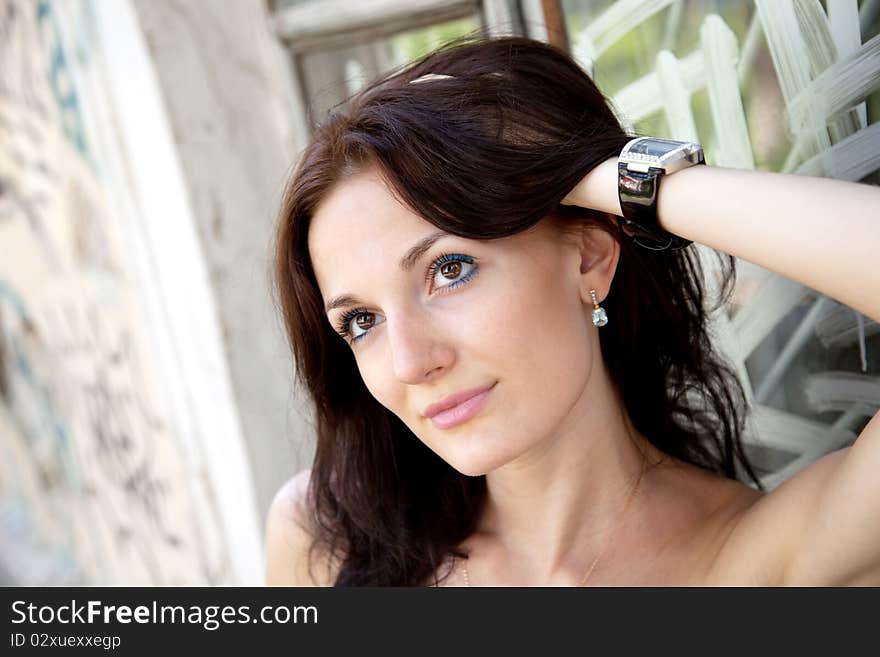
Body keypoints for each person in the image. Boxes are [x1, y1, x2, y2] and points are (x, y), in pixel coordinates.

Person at [265, 36, 880, 586]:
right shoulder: (325, 544)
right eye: (361, 321)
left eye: (449, 269)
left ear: (589, 257)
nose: (409, 363)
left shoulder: (762, 558)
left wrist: (626, 180)